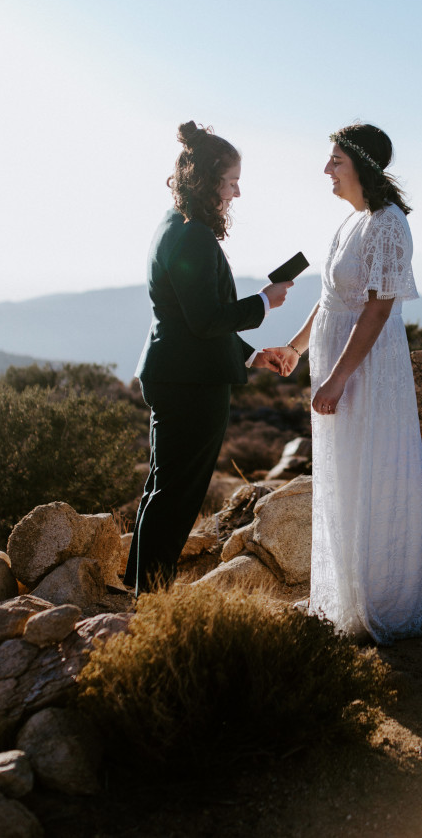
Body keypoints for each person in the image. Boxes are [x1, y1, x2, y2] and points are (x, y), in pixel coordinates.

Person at [267, 123, 422, 643]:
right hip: (337, 363)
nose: (327, 170)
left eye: (335, 160)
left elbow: (378, 309)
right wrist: (294, 348)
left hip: (368, 373)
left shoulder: (388, 224)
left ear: (360, 164)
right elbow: (331, 299)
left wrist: (335, 380)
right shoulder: (350, 223)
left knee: (375, 469)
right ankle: (346, 590)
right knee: (345, 471)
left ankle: (386, 597)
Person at [126, 121, 292, 592]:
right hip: (191, 383)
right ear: (207, 182)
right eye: (231, 182)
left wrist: (250, 356)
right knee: (179, 494)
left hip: (175, 371)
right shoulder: (193, 236)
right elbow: (205, 319)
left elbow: (190, 320)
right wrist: (264, 302)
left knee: (163, 486)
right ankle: (152, 595)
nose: (237, 193)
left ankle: (141, 586)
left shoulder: (172, 223)